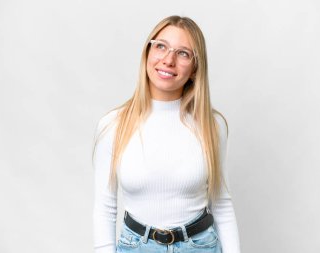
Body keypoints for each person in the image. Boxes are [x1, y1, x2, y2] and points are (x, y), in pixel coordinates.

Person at [93, 15, 240, 253]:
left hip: (200, 246)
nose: (168, 60)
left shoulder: (212, 125)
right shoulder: (113, 125)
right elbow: (104, 207)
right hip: (136, 247)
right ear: (147, 54)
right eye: (161, 46)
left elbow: (222, 204)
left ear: (194, 69)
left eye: (183, 53)